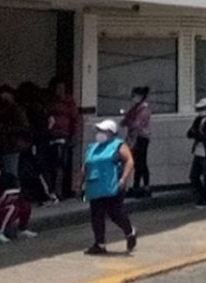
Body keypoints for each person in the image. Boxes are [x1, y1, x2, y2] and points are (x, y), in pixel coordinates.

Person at [83, 120, 136, 256]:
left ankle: (129, 232)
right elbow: (86, 166)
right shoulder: (93, 147)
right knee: (97, 215)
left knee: (115, 213)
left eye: (104, 131)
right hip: (95, 186)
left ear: (112, 133)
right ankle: (99, 244)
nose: (100, 134)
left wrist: (123, 179)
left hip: (112, 186)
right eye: (99, 131)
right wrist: (79, 182)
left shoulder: (118, 145)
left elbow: (129, 161)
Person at [0, 85, 30, 177]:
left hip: (11, 146)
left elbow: (23, 127)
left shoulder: (16, 110)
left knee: (10, 174)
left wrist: (5, 129)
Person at [45, 77, 79, 200]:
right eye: (58, 88)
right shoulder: (50, 101)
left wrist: (74, 135)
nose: (59, 90)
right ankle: (52, 190)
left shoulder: (69, 102)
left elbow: (75, 119)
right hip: (51, 135)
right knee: (52, 164)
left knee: (61, 164)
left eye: (61, 88)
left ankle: (58, 190)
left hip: (64, 135)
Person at [186, 98, 206, 207]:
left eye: (202, 108)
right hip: (198, 151)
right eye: (198, 109)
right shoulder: (198, 120)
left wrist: (197, 134)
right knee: (194, 176)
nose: (200, 111)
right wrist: (197, 134)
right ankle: (201, 195)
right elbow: (190, 133)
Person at [120, 86, 152, 197]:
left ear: (140, 96)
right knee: (136, 163)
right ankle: (136, 186)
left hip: (141, 138)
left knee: (141, 162)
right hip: (133, 137)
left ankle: (146, 186)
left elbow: (137, 124)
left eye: (134, 96)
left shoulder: (144, 109)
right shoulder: (135, 108)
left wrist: (128, 121)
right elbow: (126, 120)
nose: (133, 98)